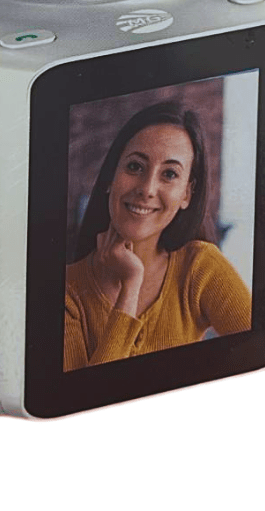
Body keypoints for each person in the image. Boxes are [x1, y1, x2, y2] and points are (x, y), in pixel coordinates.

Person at [64, 101, 252, 371]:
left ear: (186, 194)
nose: (148, 189)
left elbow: (264, 358)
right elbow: (87, 396)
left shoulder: (200, 267)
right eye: (135, 167)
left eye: (169, 174)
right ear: (110, 178)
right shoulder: (67, 290)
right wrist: (130, 288)